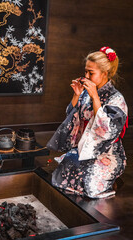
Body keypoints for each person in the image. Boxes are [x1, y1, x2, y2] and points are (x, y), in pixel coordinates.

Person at [47, 46, 128, 199]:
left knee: (89, 180)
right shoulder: (86, 93)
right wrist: (77, 96)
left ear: (105, 73)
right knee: (66, 167)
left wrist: (96, 99)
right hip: (84, 149)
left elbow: (108, 130)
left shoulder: (116, 99)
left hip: (106, 152)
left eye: (91, 73)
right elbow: (72, 119)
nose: (86, 76)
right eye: (86, 71)